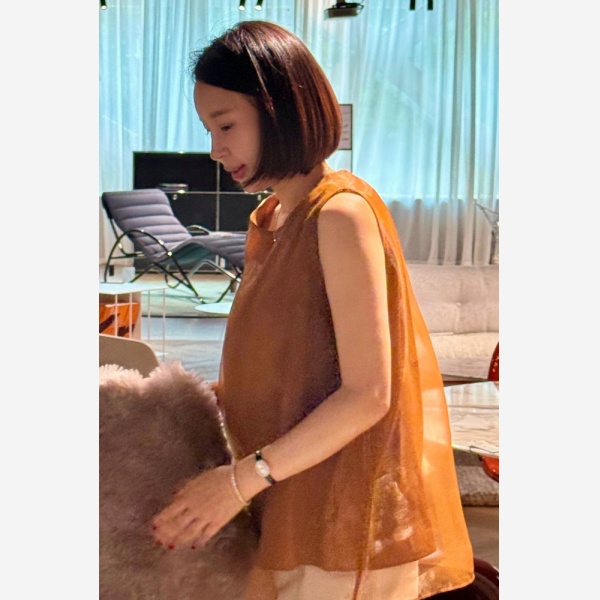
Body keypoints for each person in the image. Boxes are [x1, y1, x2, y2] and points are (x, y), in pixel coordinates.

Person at [152, 20, 475, 600]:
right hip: (287, 500)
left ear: (278, 110)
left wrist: (238, 481)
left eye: (225, 125)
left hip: (343, 517)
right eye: (209, 129)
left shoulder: (339, 214)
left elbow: (369, 393)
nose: (215, 149)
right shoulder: (270, 218)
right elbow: (292, 364)